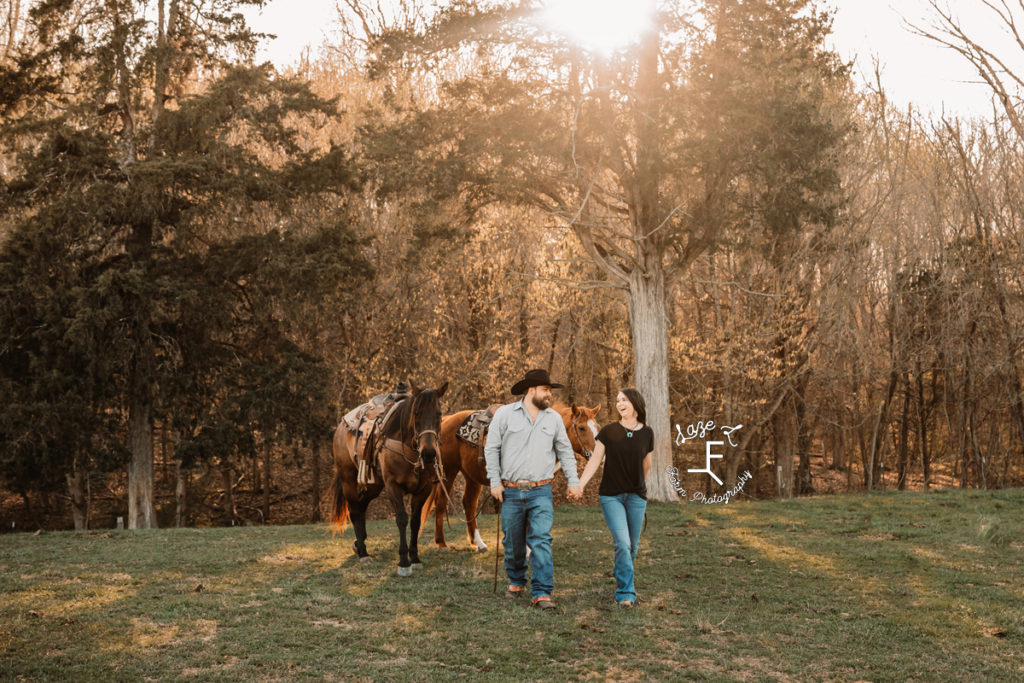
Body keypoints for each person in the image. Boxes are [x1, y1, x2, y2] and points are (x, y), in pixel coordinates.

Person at [485, 368, 583, 611]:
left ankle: (542, 593)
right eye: (546, 390)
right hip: (511, 490)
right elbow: (491, 449)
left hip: (541, 491)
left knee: (540, 539)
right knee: (513, 542)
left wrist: (573, 481)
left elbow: (565, 452)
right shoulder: (505, 415)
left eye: (550, 390)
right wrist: (494, 481)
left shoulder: (553, 419)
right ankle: (516, 581)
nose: (549, 395)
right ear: (532, 390)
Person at [578, 388, 653, 608]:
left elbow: (646, 464)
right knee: (622, 542)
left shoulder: (647, 433)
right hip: (611, 496)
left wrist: (639, 485)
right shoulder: (609, 431)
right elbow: (595, 461)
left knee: (633, 547)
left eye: (625, 400)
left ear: (636, 404)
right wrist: (580, 485)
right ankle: (625, 593)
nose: (620, 403)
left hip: (637, 497)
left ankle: (621, 570)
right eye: (618, 400)